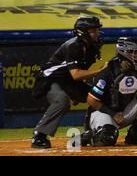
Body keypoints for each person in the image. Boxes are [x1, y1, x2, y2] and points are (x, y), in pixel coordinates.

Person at [31, 16, 107, 148]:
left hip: (68, 80)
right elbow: (76, 74)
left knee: (96, 96)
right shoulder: (73, 46)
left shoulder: (91, 46)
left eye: (97, 30)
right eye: (93, 31)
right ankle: (39, 135)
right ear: (82, 32)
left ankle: (90, 132)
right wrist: (99, 71)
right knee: (62, 101)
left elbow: (78, 73)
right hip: (51, 79)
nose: (97, 33)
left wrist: (76, 92)